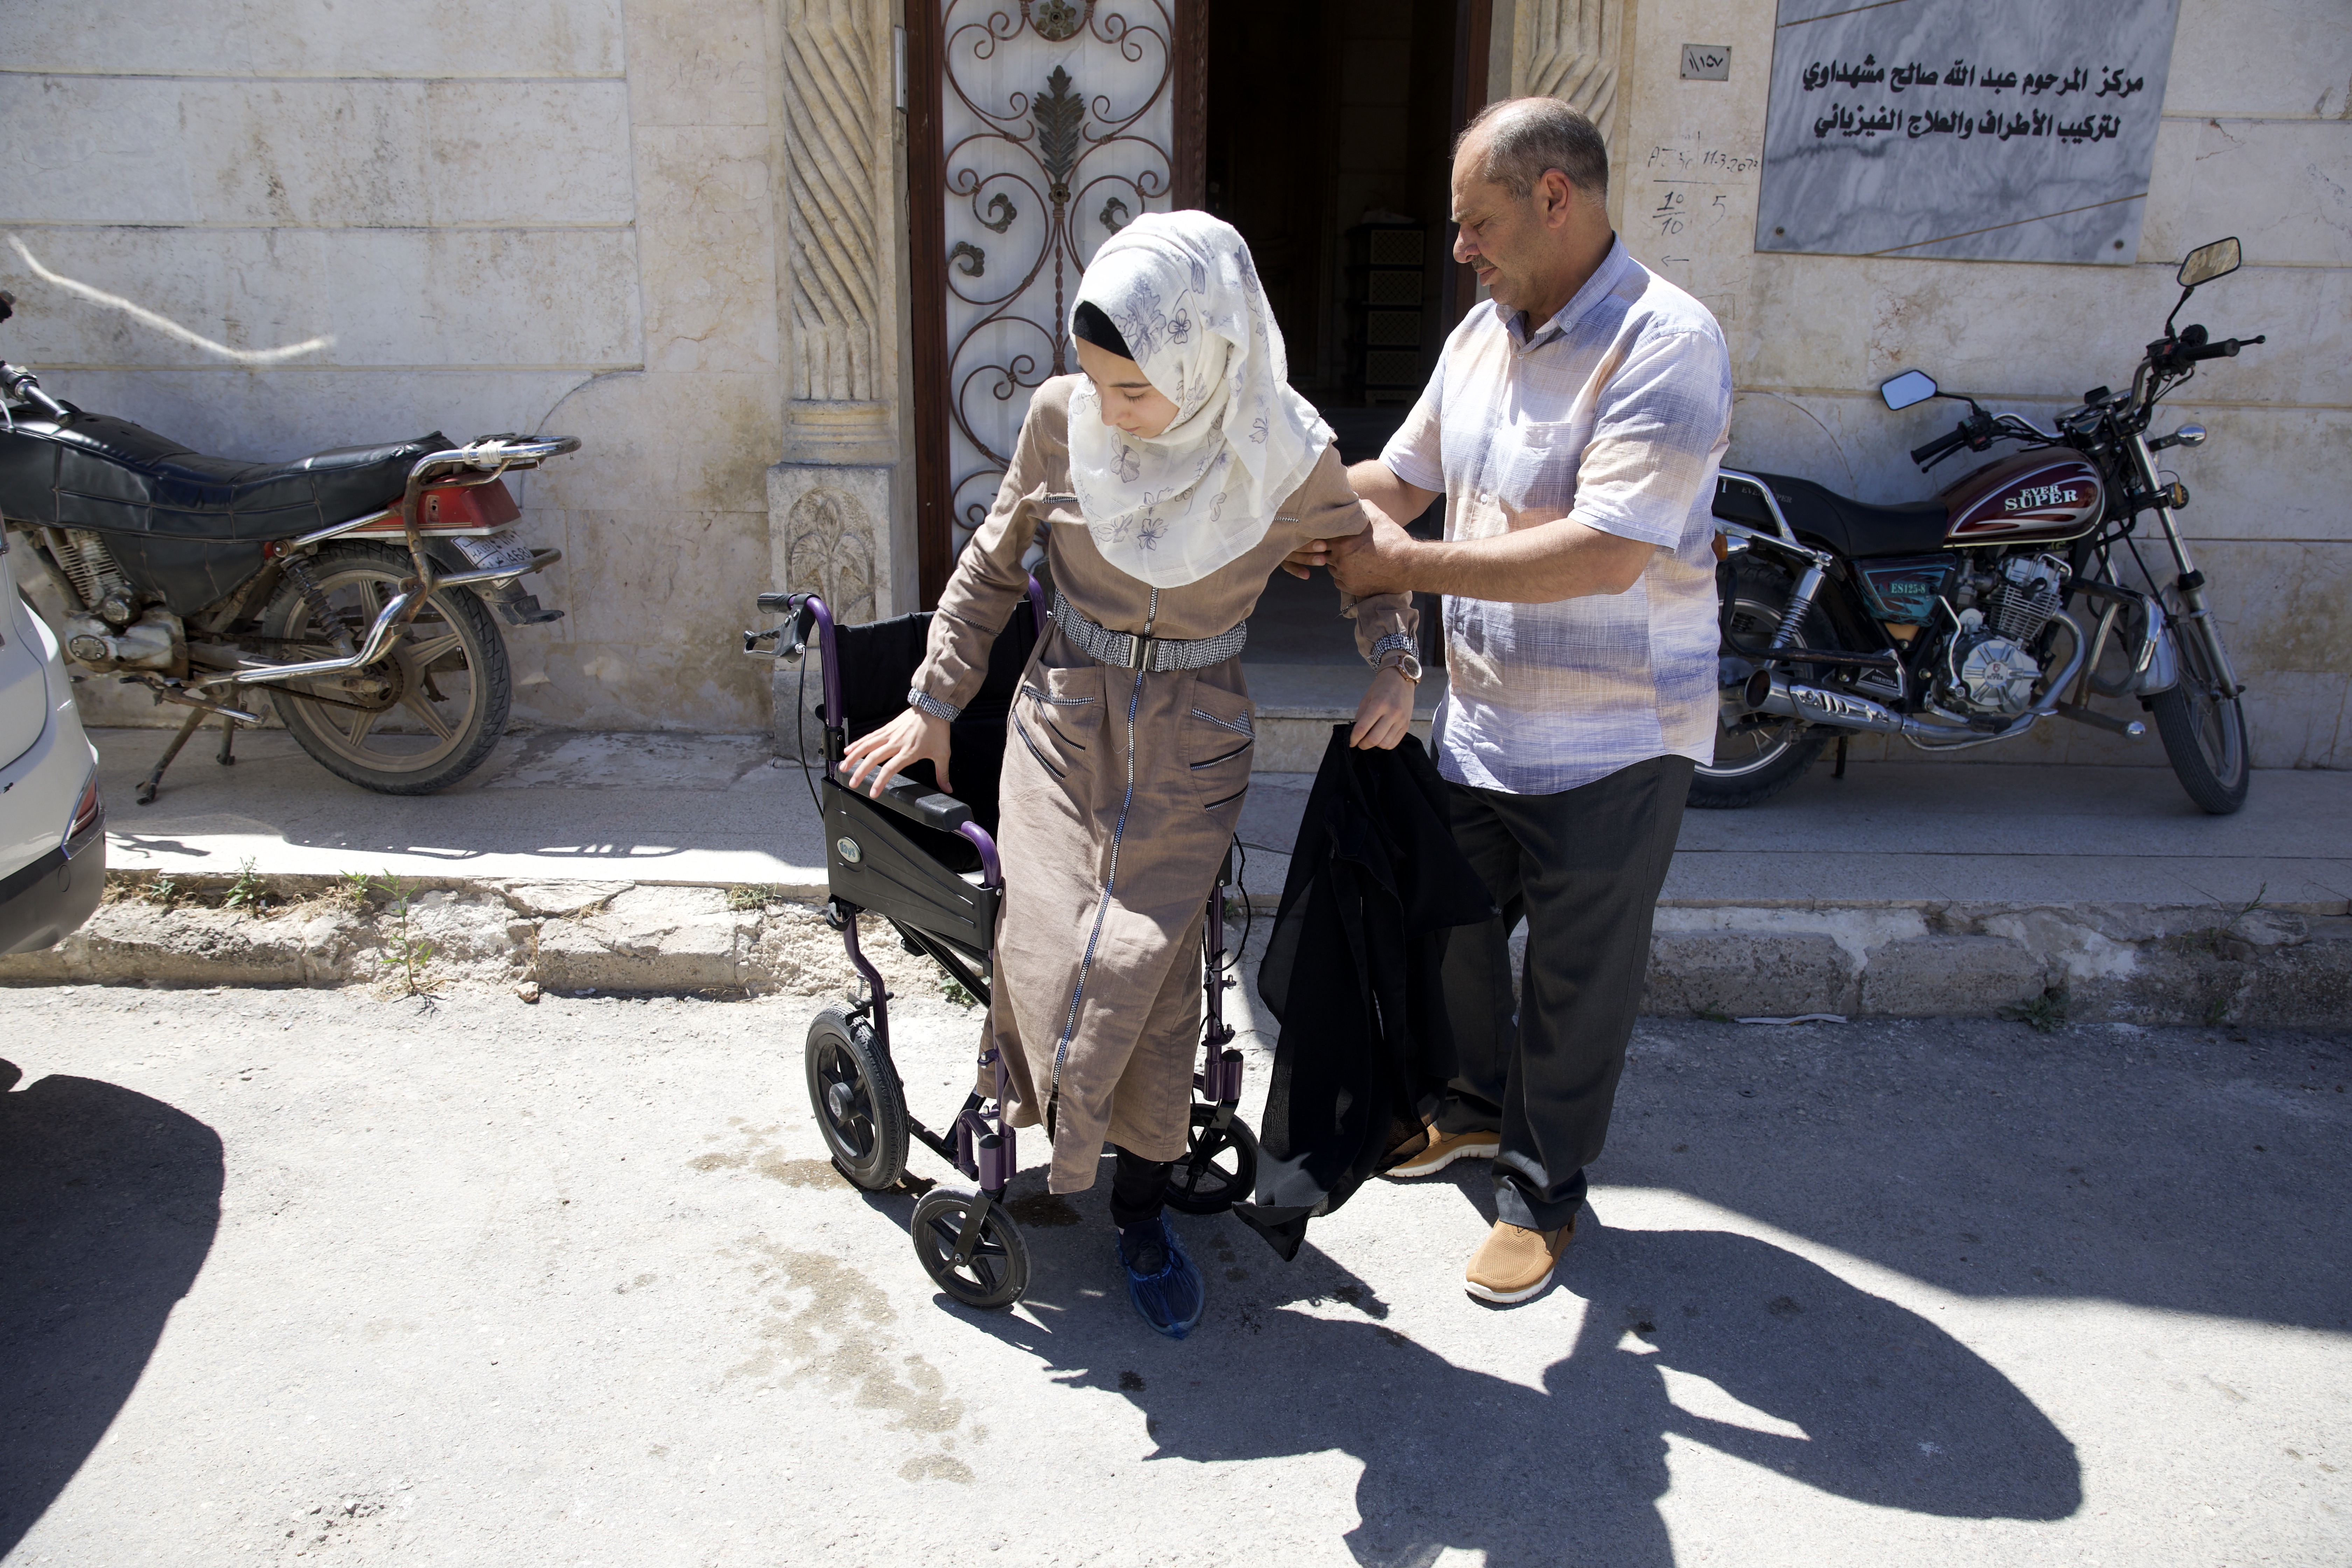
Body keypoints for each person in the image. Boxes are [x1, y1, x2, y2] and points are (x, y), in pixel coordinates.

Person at [843, 211, 1420, 1338]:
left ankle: (1143, 1211)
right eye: (1095, 379)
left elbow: (1370, 567)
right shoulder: (1062, 419)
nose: (1107, 410)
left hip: (1198, 735)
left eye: (1135, 389)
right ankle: (1038, 1135)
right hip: (1065, 716)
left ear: (1204, 363)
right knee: (1045, 937)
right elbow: (992, 565)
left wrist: (1395, 663)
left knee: (1154, 974)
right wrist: (934, 701)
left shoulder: (1282, 451)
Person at [1303, 97, 1732, 1305]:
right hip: (1485, 722)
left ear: (1556, 197)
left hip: (1617, 737)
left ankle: (1544, 1188)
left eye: (1477, 222)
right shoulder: (1482, 335)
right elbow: (1403, 477)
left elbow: (1608, 551)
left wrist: (1403, 565)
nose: (1460, 249)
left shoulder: (1666, 340)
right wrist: (1298, 511)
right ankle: (1477, 1108)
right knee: (1447, 928)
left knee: (1575, 981)